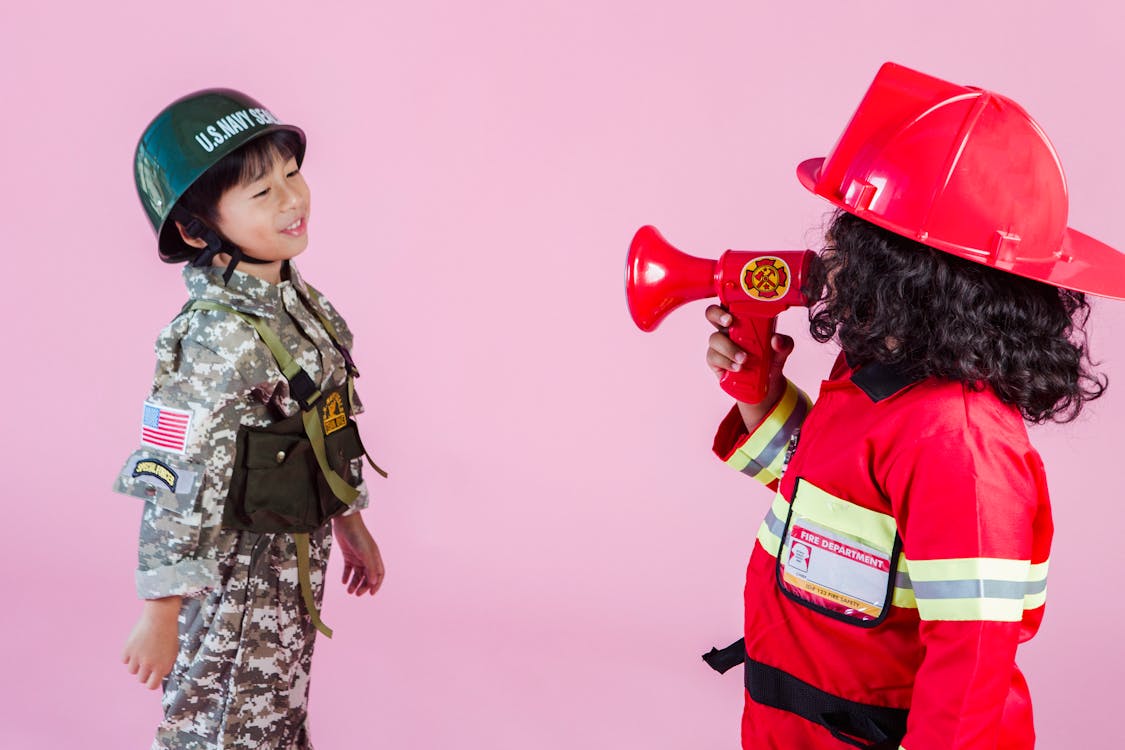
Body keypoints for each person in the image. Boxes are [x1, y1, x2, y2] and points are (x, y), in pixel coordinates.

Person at [702, 63, 1125, 749]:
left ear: (904, 271)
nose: (827, 252)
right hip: (799, 727)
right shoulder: (872, 381)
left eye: (848, 236)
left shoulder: (959, 444)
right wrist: (759, 393)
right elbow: (822, 497)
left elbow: (970, 668)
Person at [114, 89, 386, 749]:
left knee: (278, 719)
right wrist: (161, 608)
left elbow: (329, 419)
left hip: (292, 567)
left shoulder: (303, 306)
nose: (291, 200)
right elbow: (170, 471)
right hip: (231, 581)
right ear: (194, 228)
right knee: (221, 728)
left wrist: (351, 520)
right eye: (261, 193)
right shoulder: (209, 339)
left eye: (290, 176)